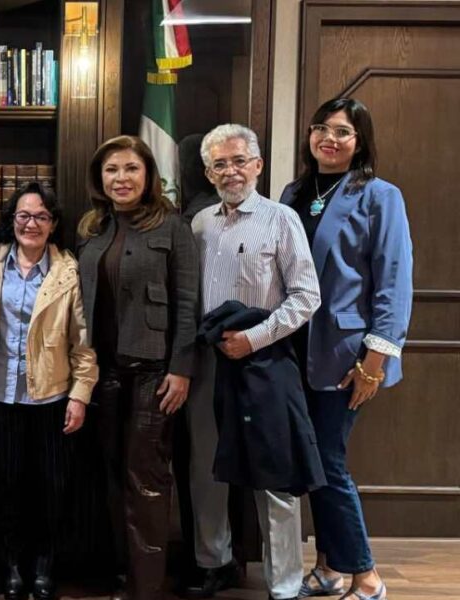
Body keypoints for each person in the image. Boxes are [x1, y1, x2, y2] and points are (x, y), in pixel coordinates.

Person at [281, 98, 412, 600]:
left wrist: (374, 364)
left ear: (360, 142)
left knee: (329, 461)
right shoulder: (294, 193)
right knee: (310, 461)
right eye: (321, 128)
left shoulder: (380, 196)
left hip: (346, 354)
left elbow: (394, 283)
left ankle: (366, 575)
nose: (328, 138)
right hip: (293, 348)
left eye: (341, 131)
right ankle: (329, 567)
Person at [189, 124, 323, 600]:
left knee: (275, 475)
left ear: (258, 165)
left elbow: (307, 296)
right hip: (208, 364)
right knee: (205, 467)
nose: (231, 171)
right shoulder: (199, 224)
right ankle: (215, 561)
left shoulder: (281, 219)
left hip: (264, 362)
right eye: (219, 164)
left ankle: (284, 585)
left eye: (239, 161)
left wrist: (253, 339)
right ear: (208, 173)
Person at [76, 135, 198, 600]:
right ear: (99, 178)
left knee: (145, 478)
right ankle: (121, 574)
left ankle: (146, 587)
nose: (121, 178)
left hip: (154, 373)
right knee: (109, 475)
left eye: (131, 169)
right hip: (102, 372)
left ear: (148, 175)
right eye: (111, 170)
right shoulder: (92, 228)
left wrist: (181, 369)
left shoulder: (173, 227)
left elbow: (188, 303)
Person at [0, 182, 98, 600]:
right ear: (11, 219)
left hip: (50, 396)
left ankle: (44, 568)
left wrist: (80, 394)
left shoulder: (68, 270)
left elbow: (82, 342)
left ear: (53, 223)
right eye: (24, 215)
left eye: (41, 217)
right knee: (5, 486)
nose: (31, 224)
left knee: (51, 488)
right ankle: (12, 566)